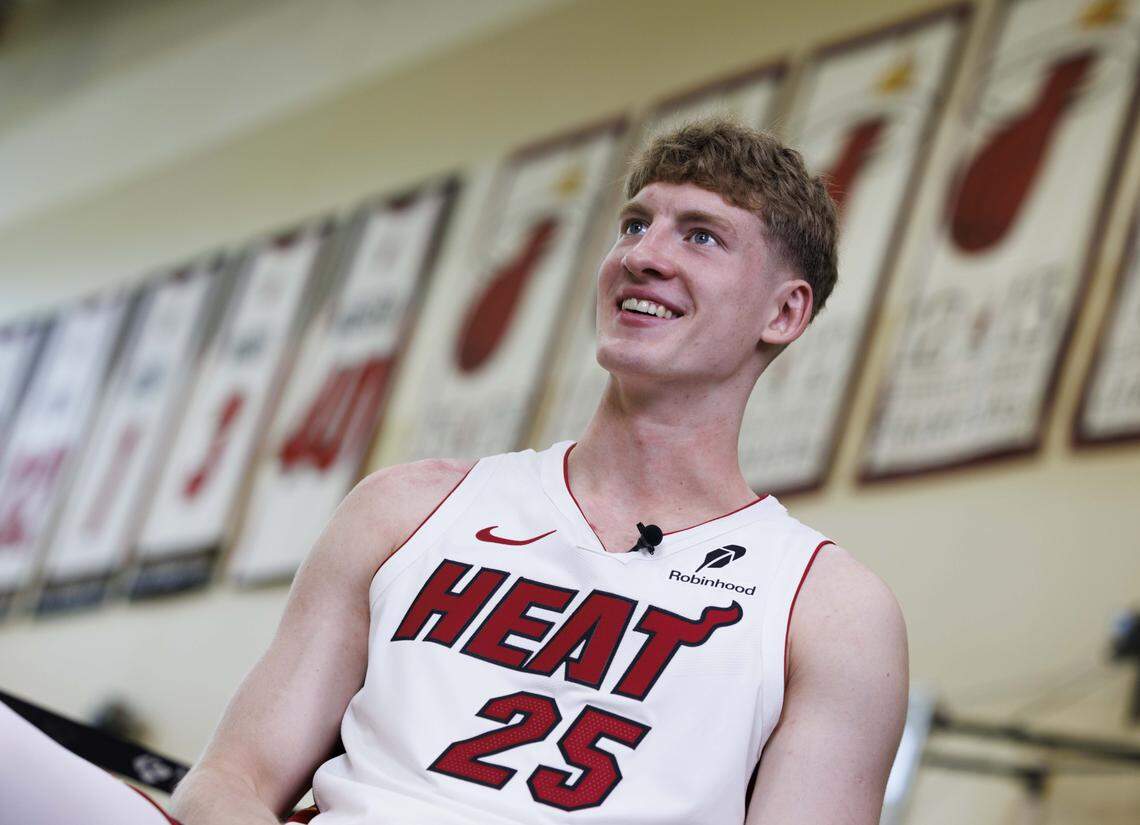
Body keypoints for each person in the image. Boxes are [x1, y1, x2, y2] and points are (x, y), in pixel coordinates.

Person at [2, 118, 908, 825]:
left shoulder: (828, 609)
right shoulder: (409, 506)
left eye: (702, 236)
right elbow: (231, 778)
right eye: (636, 222)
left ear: (785, 313)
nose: (642, 254)